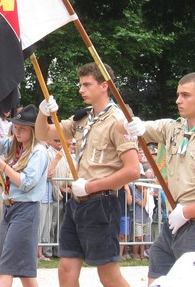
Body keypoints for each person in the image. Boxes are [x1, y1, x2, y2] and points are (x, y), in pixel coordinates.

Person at [122, 72, 195, 284]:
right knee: (156, 280)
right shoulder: (172, 128)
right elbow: (142, 129)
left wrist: (186, 212)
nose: (178, 100)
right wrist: (134, 125)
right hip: (172, 224)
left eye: (185, 95)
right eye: (178, 94)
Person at [36, 62, 139, 287]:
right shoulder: (83, 118)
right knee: (66, 268)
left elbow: (133, 169)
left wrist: (92, 186)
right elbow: (44, 134)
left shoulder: (119, 121)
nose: (81, 89)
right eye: (80, 84)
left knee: (108, 274)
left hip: (101, 202)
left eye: (86, 84)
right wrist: (42, 114)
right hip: (77, 202)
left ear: (104, 86)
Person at [0, 103, 49, 287]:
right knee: (23, 269)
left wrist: (4, 167)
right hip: (10, 207)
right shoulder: (15, 145)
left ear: (34, 130)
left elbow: (25, 183)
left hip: (25, 209)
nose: (18, 131)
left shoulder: (38, 152)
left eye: (23, 128)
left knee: (6, 266)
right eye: (16, 127)